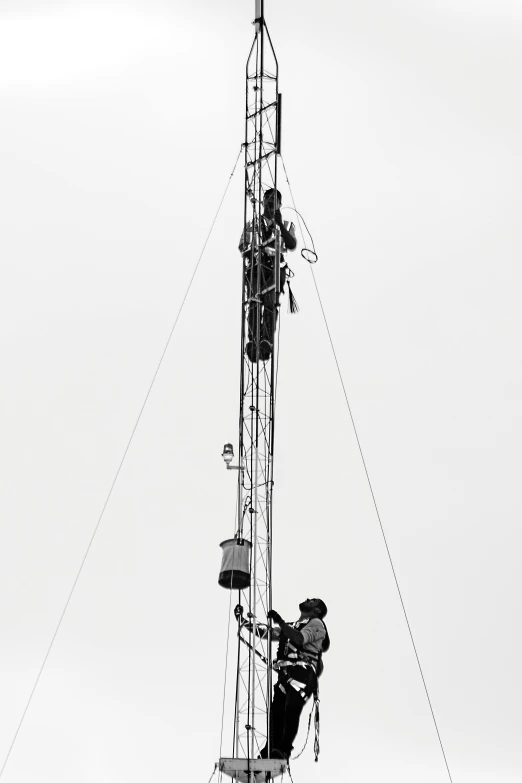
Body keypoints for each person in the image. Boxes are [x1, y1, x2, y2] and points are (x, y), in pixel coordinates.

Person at [259, 597, 330, 761]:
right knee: (276, 712)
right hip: (287, 674)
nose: (307, 599)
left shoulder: (316, 623)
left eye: (312, 601)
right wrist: (245, 623)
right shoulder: (291, 626)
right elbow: (269, 633)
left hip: (303, 673)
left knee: (291, 709)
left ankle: (283, 749)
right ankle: (271, 748)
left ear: (317, 609)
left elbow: (300, 639)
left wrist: (280, 622)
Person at [239, 188, 297, 362]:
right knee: (255, 303)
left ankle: (266, 342)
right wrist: (254, 251)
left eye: (274, 201)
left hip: (275, 269)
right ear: (263, 202)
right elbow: (242, 246)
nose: (271, 203)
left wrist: (278, 225)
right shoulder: (253, 224)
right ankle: (253, 341)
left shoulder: (286, 224)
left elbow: (291, 244)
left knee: (271, 305)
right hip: (256, 269)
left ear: (279, 205)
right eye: (268, 200)